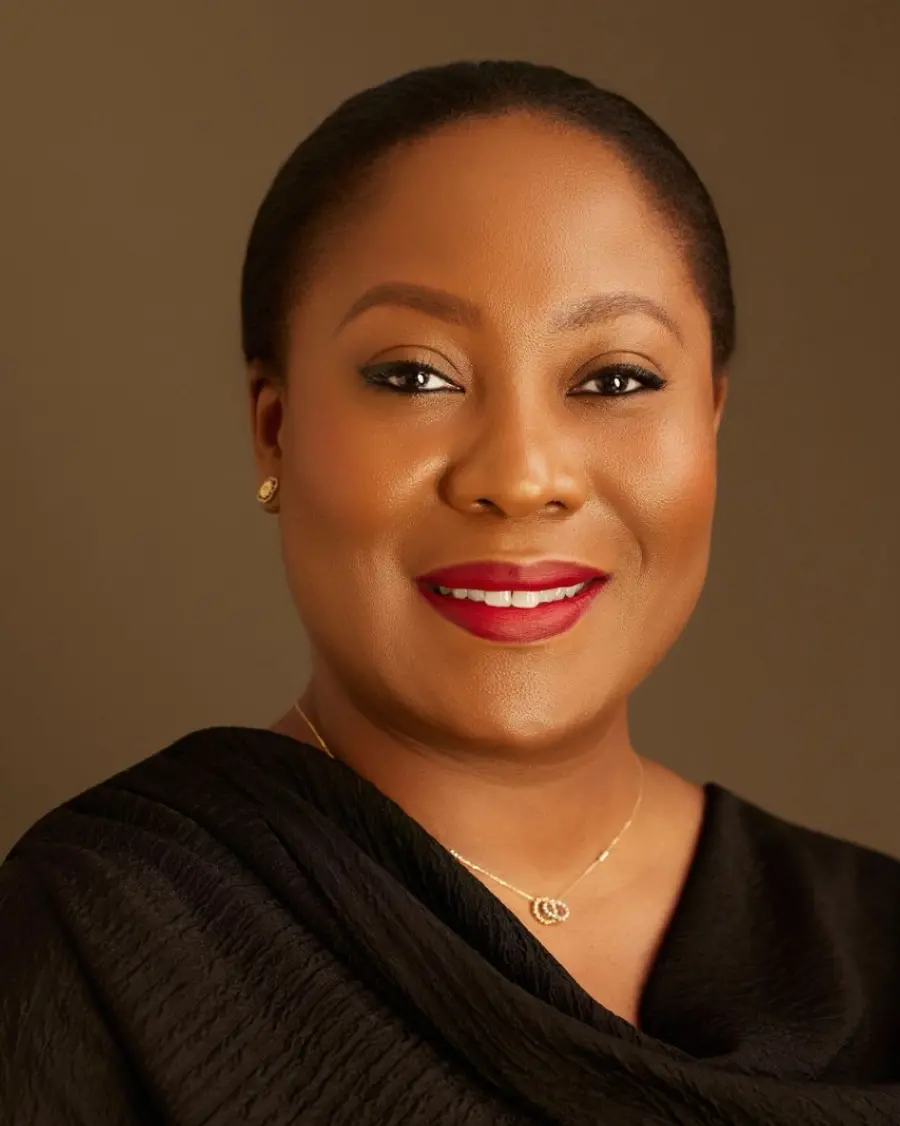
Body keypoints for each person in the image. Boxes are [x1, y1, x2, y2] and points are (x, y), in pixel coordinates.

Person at [1, 58, 898, 1126]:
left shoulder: (880, 945)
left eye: (614, 379)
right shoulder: (103, 943)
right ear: (273, 427)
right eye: (416, 375)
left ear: (709, 420)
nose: (521, 477)